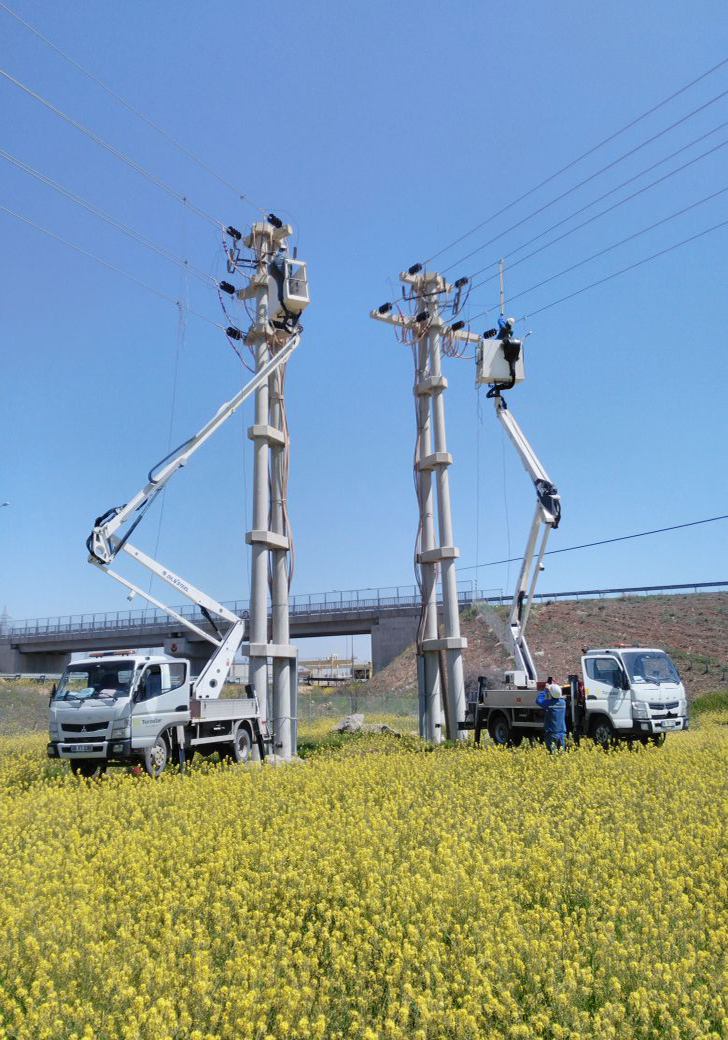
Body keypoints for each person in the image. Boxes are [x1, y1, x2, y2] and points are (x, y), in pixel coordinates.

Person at [536, 676, 566, 752]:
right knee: (561, 754)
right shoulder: (563, 703)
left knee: (552, 754)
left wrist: (545, 690)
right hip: (562, 733)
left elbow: (539, 701)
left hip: (552, 733)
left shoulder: (549, 704)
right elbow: (558, 696)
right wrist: (555, 687)